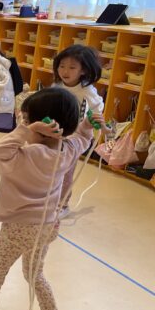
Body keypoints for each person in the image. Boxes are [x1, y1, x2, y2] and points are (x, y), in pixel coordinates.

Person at [0, 88, 101, 310]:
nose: (22, 123)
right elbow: (82, 138)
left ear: (41, 125)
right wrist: (87, 124)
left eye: (26, 120)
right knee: (34, 273)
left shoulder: (25, 156)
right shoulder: (67, 150)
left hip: (17, 228)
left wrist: (26, 131)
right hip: (47, 226)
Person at [52, 44, 112, 212]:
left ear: (83, 70)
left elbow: (97, 112)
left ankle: (62, 204)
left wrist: (104, 128)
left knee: (66, 172)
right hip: (57, 133)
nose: (65, 71)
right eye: (62, 66)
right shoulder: (57, 86)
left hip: (77, 136)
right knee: (51, 168)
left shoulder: (87, 92)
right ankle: (49, 199)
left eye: (72, 67)